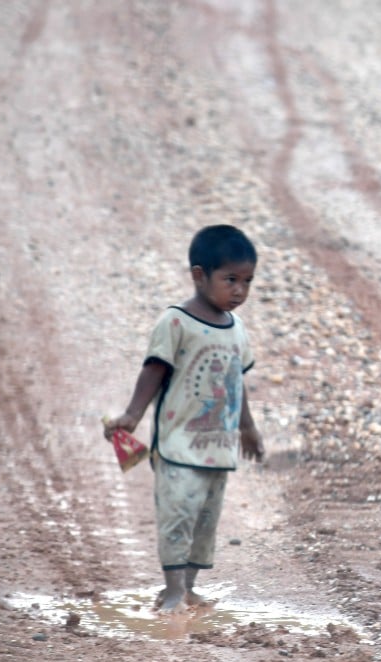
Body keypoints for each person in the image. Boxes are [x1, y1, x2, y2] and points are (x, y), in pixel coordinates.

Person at [103, 224, 265, 614]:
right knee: (178, 516)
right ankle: (172, 591)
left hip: (218, 450)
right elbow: (154, 371)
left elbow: (236, 382)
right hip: (177, 446)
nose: (239, 290)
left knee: (204, 523)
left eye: (247, 281)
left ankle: (188, 589)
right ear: (199, 275)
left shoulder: (238, 330)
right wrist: (132, 415)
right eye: (230, 279)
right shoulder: (175, 322)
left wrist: (248, 427)